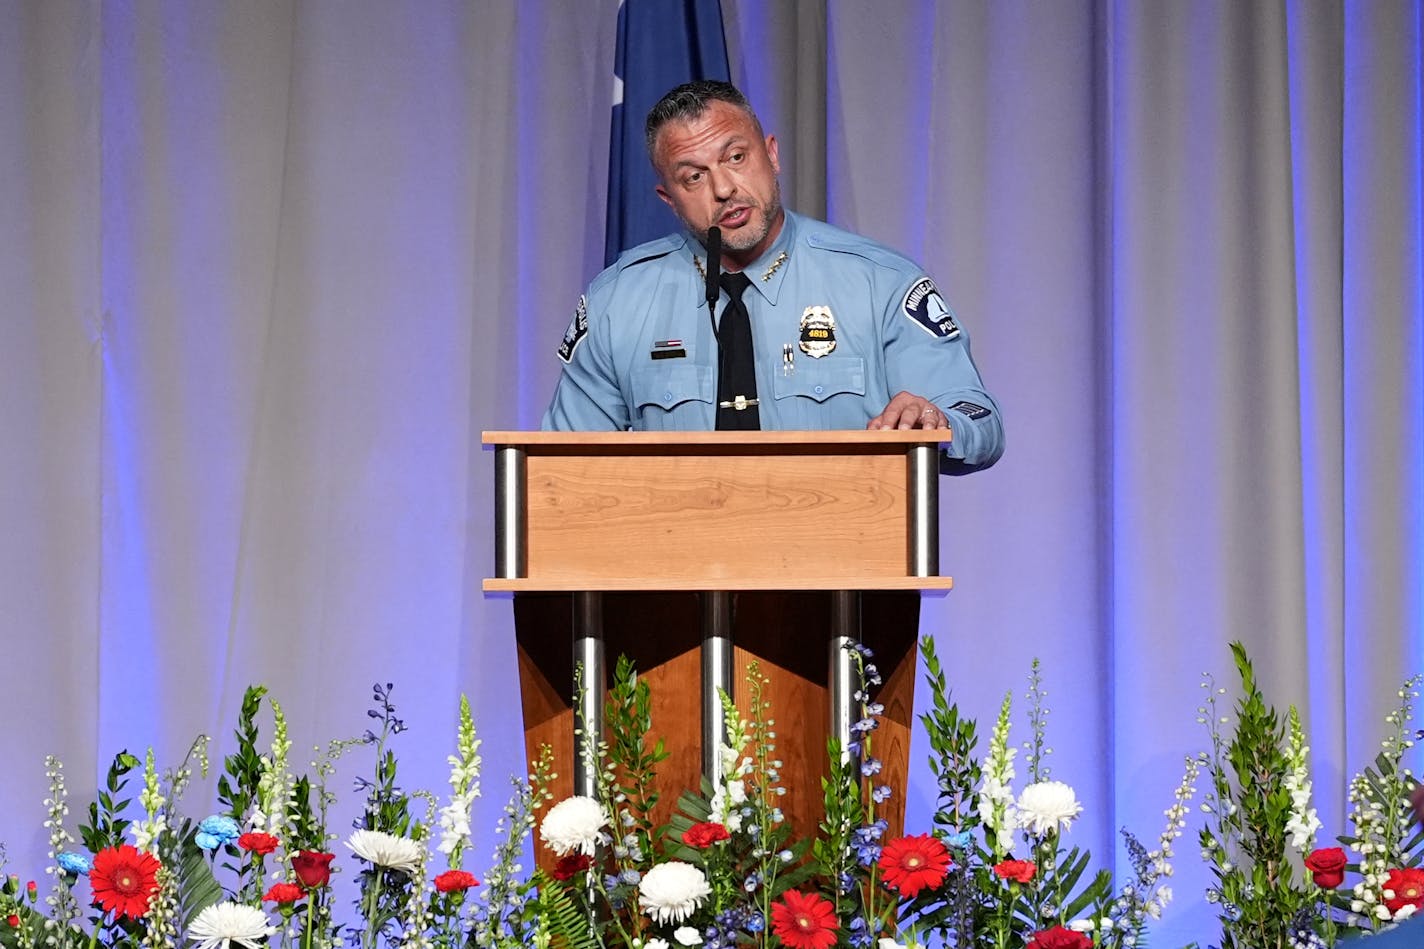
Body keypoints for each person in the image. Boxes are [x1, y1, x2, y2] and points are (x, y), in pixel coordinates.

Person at [542, 80, 1003, 474]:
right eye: (694, 177)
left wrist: (936, 419)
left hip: (843, 566)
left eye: (736, 157)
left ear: (772, 154)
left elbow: (978, 416)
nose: (724, 189)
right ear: (668, 198)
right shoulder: (617, 302)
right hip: (679, 570)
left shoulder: (879, 283)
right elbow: (559, 467)